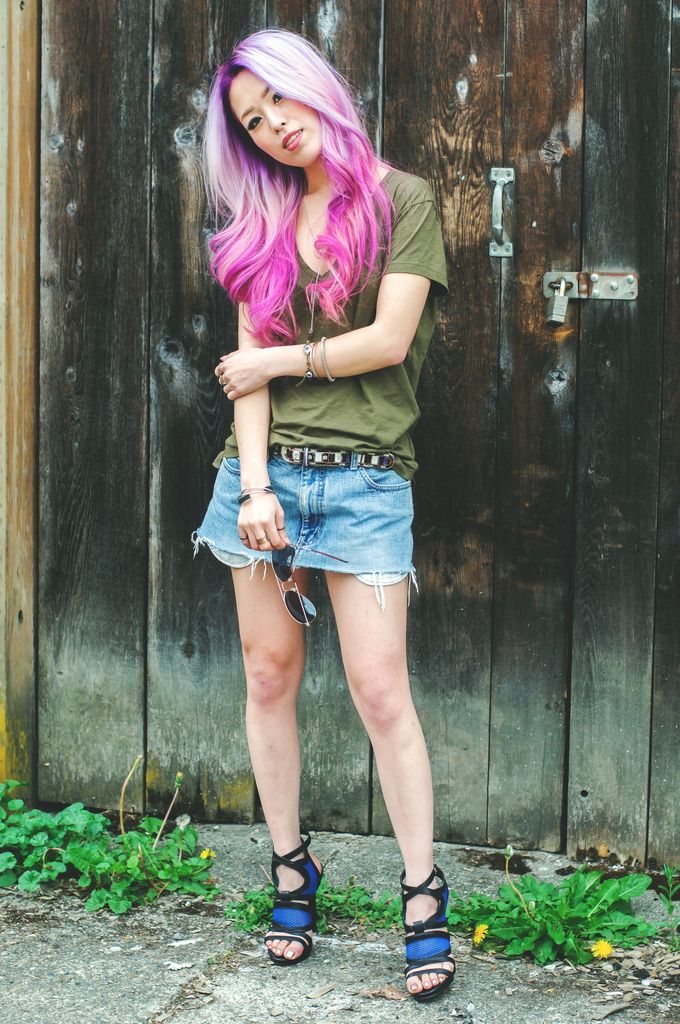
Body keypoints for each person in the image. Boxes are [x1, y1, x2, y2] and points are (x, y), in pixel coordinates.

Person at [191, 27, 453, 1003]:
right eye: (253, 123)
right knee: (269, 676)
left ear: (315, 87)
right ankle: (291, 870)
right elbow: (244, 384)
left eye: (279, 101)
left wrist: (276, 358)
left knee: (381, 692)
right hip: (263, 479)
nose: (274, 127)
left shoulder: (401, 201)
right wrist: (254, 488)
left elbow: (387, 340)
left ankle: (421, 895)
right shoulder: (262, 222)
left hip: (366, 481)